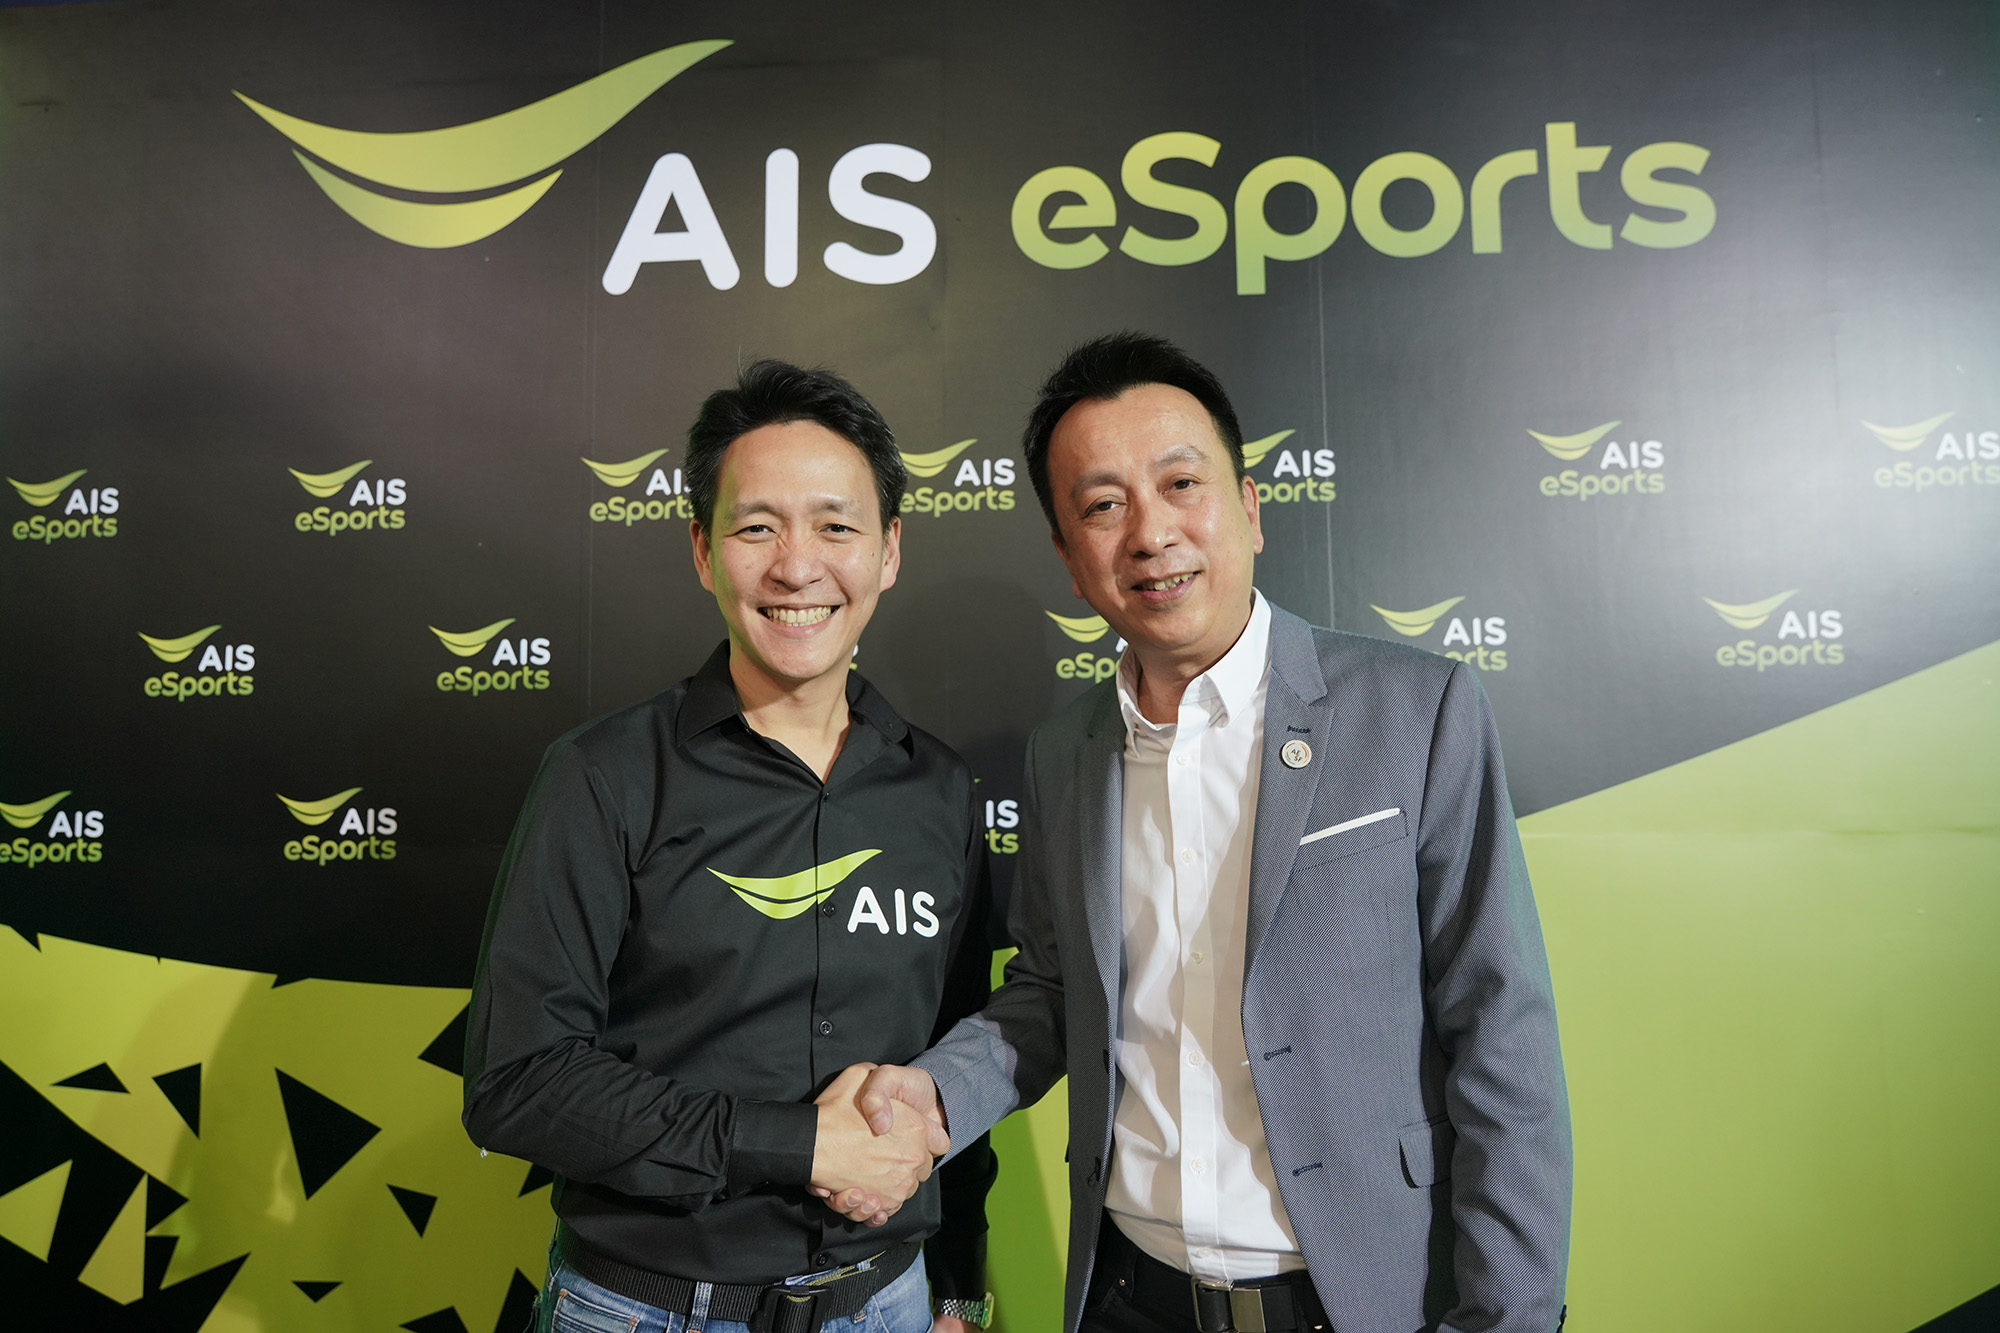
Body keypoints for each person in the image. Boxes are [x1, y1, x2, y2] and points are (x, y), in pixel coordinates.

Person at [844, 334, 1572, 1333]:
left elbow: (1499, 1030)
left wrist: (1509, 1319)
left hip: (1359, 1300)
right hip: (1127, 1296)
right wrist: (932, 1097)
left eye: (1180, 483)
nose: (1150, 533)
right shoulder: (1064, 753)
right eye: (1103, 506)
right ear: (1069, 558)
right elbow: (1052, 992)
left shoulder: (1415, 710)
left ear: (1250, 508)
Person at [463, 360, 997, 1333]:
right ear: (703, 550)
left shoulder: (939, 791)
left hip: (888, 1302)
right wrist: (798, 1144)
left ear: (888, 550)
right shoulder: (604, 775)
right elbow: (519, 1081)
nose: (797, 567)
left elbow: (954, 1067)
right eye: (757, 527)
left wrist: (961, 1288)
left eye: (835, 526)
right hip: (645, 1309)